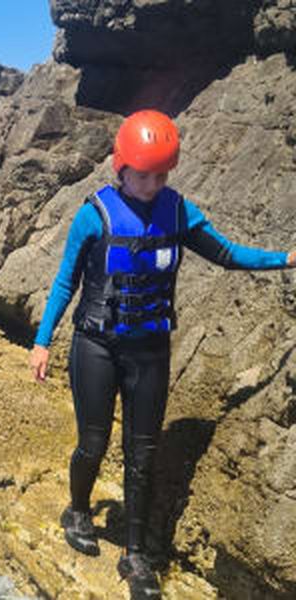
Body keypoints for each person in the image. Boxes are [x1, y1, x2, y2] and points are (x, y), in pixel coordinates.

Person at [29, 110, 296, 599]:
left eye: (162, 175)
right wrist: (42, 342)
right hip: (96, 346)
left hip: (150, 351)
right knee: (93, 443)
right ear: (121, 167)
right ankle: (79, 509)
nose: (153, 184)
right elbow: (66, 281)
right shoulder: (94, 214)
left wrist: (285, 258)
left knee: (143, 455)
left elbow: (228, 254)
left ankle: (135, 557)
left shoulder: (178, 212)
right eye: (144, 174)